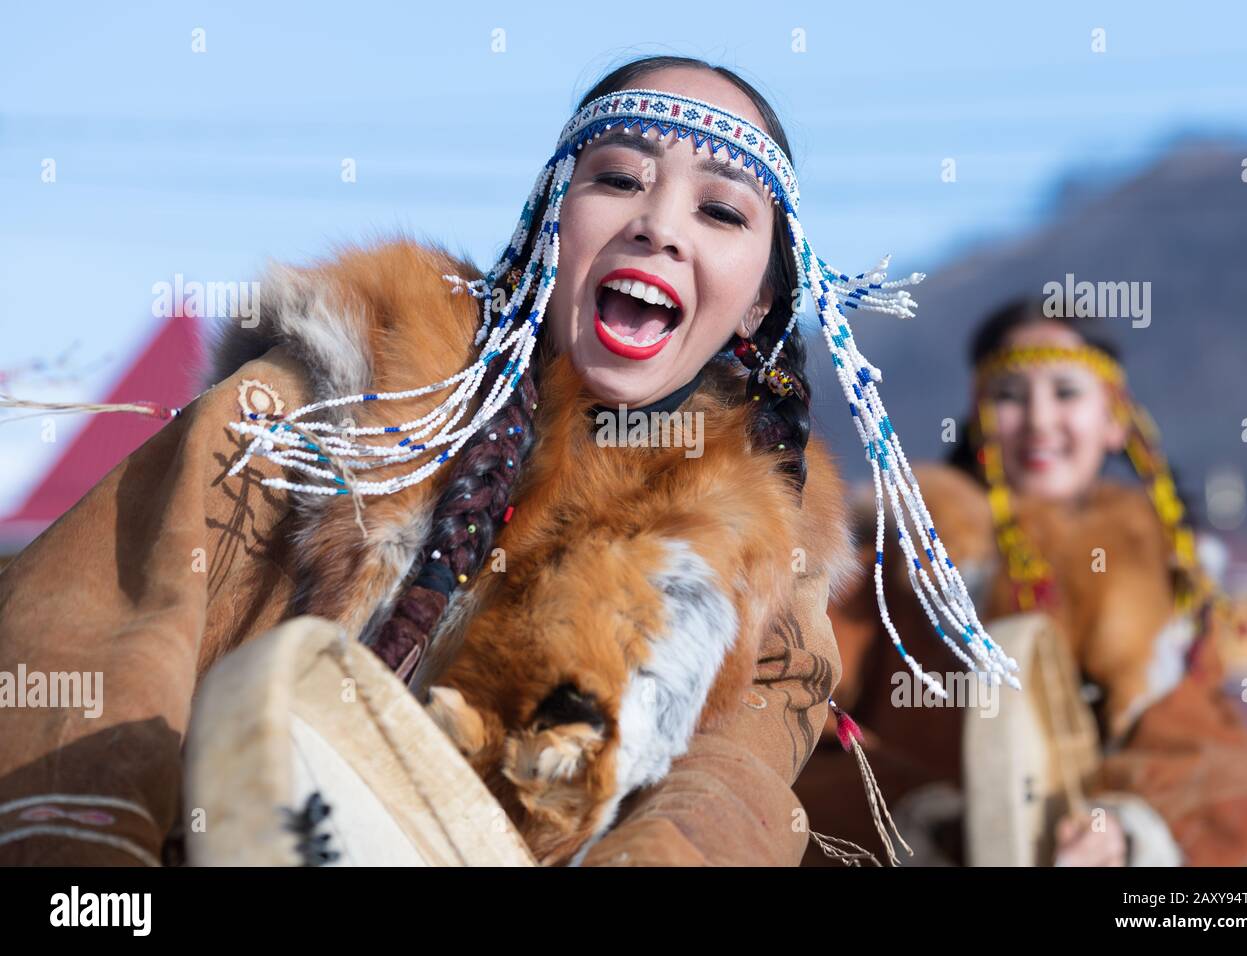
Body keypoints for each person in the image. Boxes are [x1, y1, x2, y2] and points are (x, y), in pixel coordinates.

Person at [0, 55, 999, 866]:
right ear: (548, 228)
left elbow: (718, 808)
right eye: (617, 178)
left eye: (721, 210)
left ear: (758, 303)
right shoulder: (335, 389)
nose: (656, 221)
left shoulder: (766, 583)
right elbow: (99, 636)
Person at [796, 298, 1247, 867]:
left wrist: (1124, 830)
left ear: (1115, 421)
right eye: (1011, 395)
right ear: (979, 420)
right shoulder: (897, 554)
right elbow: (800, 712)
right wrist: (923, 819)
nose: (1040, 420)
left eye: (1066, 392)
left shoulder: (1167, 577)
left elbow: (1205, 749)